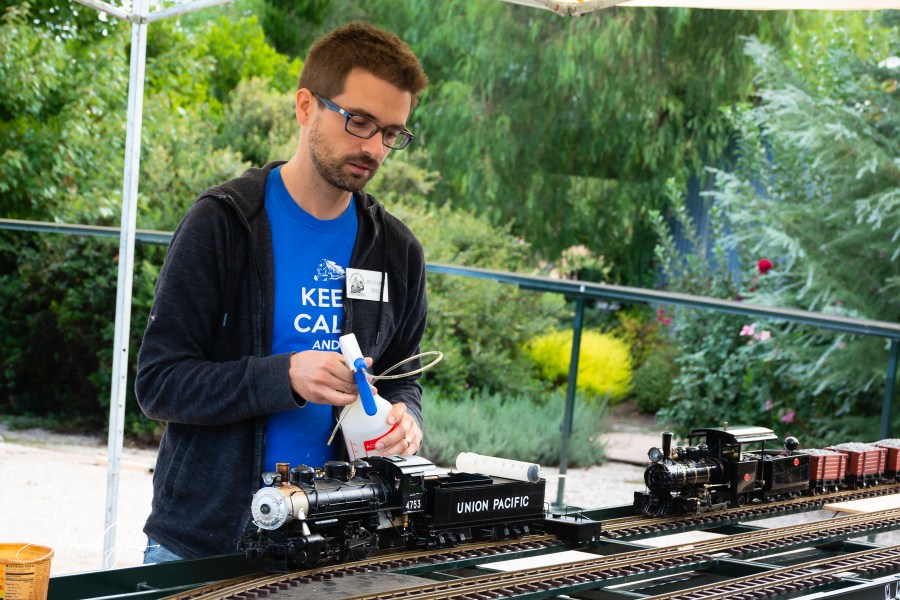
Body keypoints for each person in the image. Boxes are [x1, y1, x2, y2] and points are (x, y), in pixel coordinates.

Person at [135, 22, 429, 562]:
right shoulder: (224, 223)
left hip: (343, 542)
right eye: (359, 121)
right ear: (305, 106)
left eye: (391, 133)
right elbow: (159, 383)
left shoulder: (398, 251)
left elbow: (403, 379)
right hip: (206, 544)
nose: (373, 148)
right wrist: (284, 376)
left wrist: (405, 422)